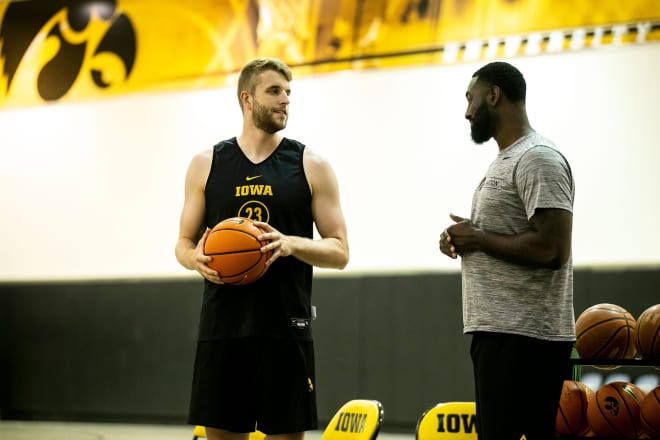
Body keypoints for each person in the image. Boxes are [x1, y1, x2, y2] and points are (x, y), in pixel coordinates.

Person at [175, 58, 349, 440]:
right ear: (247, 99)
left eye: (288, 92)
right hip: (223, 329)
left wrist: (290, 243)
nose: (285, 99)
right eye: (274, 91)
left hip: (286, 329)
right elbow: (183, 244)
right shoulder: (206, 164)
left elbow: (340, 251)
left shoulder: (310, 164)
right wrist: (195, 259)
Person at [438, 61, 576, 440]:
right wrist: (462, 237)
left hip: (525, 340)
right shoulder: (507, 159)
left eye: (471, 98)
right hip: (500, 334)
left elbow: (552, 249)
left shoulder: (538, 157)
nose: (467, 111)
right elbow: (509, 235)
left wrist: (478, 239)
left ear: (494, 95)